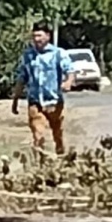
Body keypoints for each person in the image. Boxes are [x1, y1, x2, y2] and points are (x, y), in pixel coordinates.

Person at [12, 21, 75, 157]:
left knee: (58, 135)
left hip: (54, 101)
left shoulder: (59, 54)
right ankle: (41, 165)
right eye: (34, 36)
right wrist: (15, 100)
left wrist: (68, 82)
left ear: (48, 36)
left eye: (40, 36)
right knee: (38, 135)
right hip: (35, 102)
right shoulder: (28, 55)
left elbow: (70, 70)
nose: (36, 39)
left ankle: (63, 160)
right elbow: (22, 77)